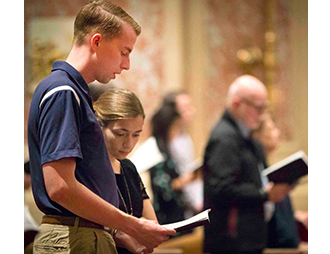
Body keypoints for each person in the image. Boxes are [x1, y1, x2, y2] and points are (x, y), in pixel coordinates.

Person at [27, 1, 175, 253]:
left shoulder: (74, 91)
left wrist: (117, 232)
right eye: (124, 52)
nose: (126, 64)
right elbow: (61, 187)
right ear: (96, 42)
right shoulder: (64, 91)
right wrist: (133, 225)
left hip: (86, 234)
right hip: (74, 238)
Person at [202, 75, 292, 254]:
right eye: (258, 107)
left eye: (264, 107)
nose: (262, 113)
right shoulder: (225, 138)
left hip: (247, 239)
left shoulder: (244, 135)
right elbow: (220, 188)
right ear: (237, 103)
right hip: (231, 242)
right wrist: (263, 194)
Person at [93, 87, 159, 254]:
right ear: (100, 126)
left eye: (136, 135)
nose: (129, 144)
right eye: (121, 134)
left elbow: (153, 223)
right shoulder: (87, 168)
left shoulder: (128, 168)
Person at [252, 114, 306, 251]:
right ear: (258, 136)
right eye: (271, 129)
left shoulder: (264, 166)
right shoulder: (253, 171)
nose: (277, 132)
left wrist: (296, 215)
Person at [148, 91, 201, 226]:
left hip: (185, 208)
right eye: (186, 107)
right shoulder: (157, 146)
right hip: (167, 213)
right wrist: (188, 179)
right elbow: (163, 187)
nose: (191, 111)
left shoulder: (185, 140)